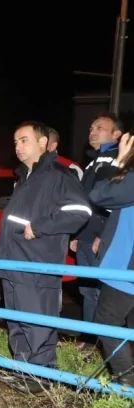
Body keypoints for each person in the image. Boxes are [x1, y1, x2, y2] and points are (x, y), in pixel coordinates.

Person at [0, 121, 92, 394]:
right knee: (17, 323)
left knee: (37, 322)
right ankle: (23, 372)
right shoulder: (25, 176)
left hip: (37, 264)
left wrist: (40, 227)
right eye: (15, 141)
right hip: (13, 262)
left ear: (43, 142)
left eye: (24, 140)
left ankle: (43, 377)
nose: (18, 147)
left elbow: (80, 211)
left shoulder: (58, 175)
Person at [71, 113, 123, 347]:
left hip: (102, 237)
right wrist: (77, 234)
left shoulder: (119, 161)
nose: (92, 130)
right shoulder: (94, 162)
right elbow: (84, 203)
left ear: (116, 134)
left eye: (99, 127)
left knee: (105, 294)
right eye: (91, 127)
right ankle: (90, 340)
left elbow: (116, 201)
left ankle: (108, 345)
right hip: (85, 237)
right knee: (88, 291)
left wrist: (104, 234)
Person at [88, 132, 134, 386]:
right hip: (124, 268)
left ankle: (127, 385)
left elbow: (99, 194)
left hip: (125, 272)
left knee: (107, 322)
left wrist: (119, 162)